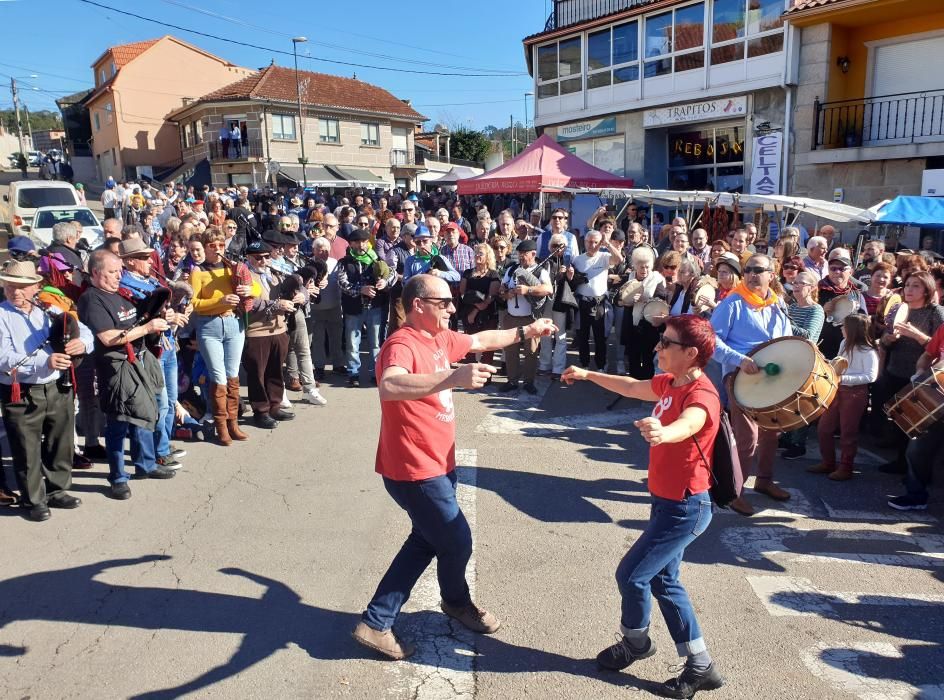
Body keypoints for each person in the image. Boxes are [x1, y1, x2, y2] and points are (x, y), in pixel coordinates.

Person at [352, 274, 556, 660]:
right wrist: (454, 376)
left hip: (437, 461)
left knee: (428, 539)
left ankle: (379, 621)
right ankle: (449, 603)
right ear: (419, 305)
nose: (451, 307)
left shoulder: (439, 337)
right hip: (414, 467)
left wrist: (529, 329)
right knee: (455, 537)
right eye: (443, 302)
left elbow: (481, 340)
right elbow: (390, 385)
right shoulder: (402, 342)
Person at [562, 315, 724, 699]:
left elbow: (690, 423)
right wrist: (587, 374)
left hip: (685, 508)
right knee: (664, 580)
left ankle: (636, 643)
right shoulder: (671, 382)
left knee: (632, 575)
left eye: (666, 343)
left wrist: (663, 432)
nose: (657, 348)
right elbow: (633, 387)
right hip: (666, 501)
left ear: (690, 353)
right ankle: (700, 664)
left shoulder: (701, 395)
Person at [77, 250, 176, 499]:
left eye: (119, 270)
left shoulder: (121, 293)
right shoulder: (92, 299)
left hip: (140, 359)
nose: (118, 275)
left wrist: (160, 320)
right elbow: (108, 338)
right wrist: (147, 327)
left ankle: (146, 464)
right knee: (119, 421)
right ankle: (118, 478)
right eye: (112, 272)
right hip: (117, 365)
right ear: (96, 273)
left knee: (146, 413)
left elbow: (141, 323)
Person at [0, 261, 93, 521]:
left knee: (59, 442)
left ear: (36, 287)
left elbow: (84, 330)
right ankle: (33, 499)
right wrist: (44, 361)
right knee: (26, 448)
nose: (15, 292)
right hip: (22, 390)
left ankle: (57, 490)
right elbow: (3, 356)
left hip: (56, 385)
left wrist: (80, 343)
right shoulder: (1, 315)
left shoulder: (49, 308)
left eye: (21, 287)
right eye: (10, 287)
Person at [710, 253, 793, 516]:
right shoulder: (732, 303)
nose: (752, 274)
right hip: (740, 376)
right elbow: (712, 342)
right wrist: (740, 360)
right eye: (748, 270)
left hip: (771, 377)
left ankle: (765, 480)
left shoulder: (777, 303)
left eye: (759, 270)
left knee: (772, 432)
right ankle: (735, 493)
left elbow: (786, 335)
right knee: (748, 438)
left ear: (772, 274)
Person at [874, 271, 944, 472]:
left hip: (923, 377)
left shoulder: (935, 312)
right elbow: (885, 342)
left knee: (918, 426)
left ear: (926, 290)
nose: (909, 290)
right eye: (907, 285)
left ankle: (914, 469)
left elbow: (938, 348)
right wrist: (889, 339)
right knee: (898, 420)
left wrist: (917, 336)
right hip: (895, 370)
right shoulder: (900, 309)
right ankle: (900, 462)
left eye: (915, 286)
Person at [811, 314, 879, 481]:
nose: (841, 328)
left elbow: (871, 376)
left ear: (853, 330)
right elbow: (839, 365)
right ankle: (828, 463)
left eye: (844, 326)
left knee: (848, 432)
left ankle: (846, 468)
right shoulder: (844, 343)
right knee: (824, 429)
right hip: (837, 390)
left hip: (855, 394)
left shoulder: (868, 351)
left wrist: (843, 379)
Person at [338, 229, 397, 387]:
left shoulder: (376, 259)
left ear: (369, 243)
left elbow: (391, 274)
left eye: (364, 241)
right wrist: (360, 289)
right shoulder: (344, 262)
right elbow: (342, 283)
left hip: (375, 307)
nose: (361, 245)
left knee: (376, 343)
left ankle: (376, 373)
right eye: (357, 242)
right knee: (352, 342)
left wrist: (384, 282)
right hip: (353, 308)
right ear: (351, 244)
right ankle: (353, 373)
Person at [500, 239, 553, 394]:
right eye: (520, 254)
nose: (521, 257)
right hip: (511, 316)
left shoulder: (540, 270)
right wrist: (506, 293)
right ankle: (512, 381)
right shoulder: (512, 269)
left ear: (533, 254)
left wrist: (528, 290)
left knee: (531, 351)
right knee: (511, 351)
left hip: (531, 318)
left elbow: (548, 289)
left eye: (525, 254)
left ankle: (529, 382)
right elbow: (502, 288)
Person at [568, 229, 623, 371]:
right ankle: (584, 364)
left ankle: (601, 365)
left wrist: (608, 244)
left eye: (595, 242)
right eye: (589, 242)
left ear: (600, 243)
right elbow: (571, 281)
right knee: (582, 335)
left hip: (599, 303)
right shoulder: (577, 259)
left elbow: (619, 259)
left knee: (600, 337)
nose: (592, 245)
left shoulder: (604, 256)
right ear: (584, 242)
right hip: (582, 303)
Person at [621, 246, 667, 379]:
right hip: (632, 323)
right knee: (633, 356)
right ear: (635, 266)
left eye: (647, 266)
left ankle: (647, 386)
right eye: (641, 267)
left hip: (649, 325)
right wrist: (626, 300)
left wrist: (645, 299)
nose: (644, 270)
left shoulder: (657, 278)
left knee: (648, 357)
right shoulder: (629, 277)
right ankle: (634, 385)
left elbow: (662, 298)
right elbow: (620, 297)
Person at [458, 243, 501, 364]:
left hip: (487, 315)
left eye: (480, 253)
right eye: (475, 253)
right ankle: (470, 374)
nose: (477, 255)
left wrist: (475, 310)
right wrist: (471, 313)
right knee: (470, 345)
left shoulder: (493, 274)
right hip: (469, 314)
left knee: (488, 347)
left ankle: (486, 377)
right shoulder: (468, 273)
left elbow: (490, 298)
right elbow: (462, 293)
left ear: (488, 256)